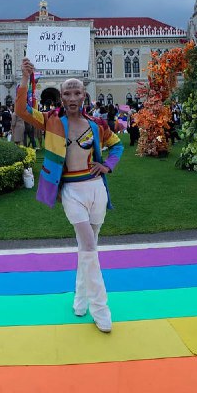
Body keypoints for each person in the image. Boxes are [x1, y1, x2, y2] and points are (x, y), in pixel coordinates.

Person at [16, 57, 124, 333]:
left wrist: (107, 165)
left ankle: (79, 301)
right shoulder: (51, 122)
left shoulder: (97, 124)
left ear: (84, 95)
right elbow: (22, 109)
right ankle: (101, 310)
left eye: (77, 93)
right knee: (90, 248)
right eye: (67, 93)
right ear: (61, 97)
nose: (73, 97)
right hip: (71, 192)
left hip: (96, 189)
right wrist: (27, 78)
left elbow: (118, 146)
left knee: (86, 250)